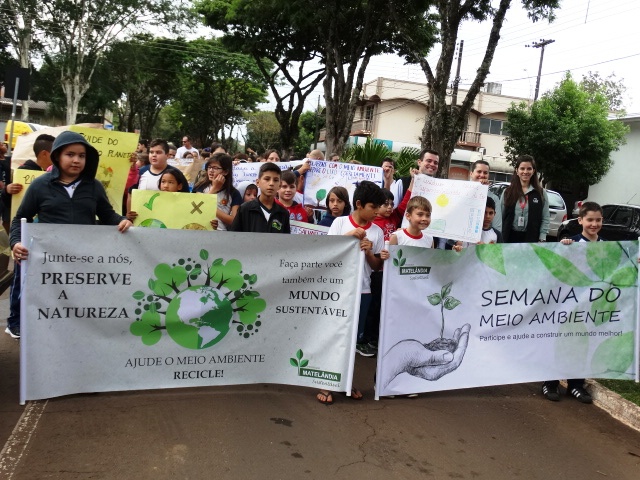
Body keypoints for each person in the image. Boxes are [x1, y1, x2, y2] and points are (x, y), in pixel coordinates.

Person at [9, 131, 132, 336]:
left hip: (82, 262)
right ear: (57, 156)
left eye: (82, 156)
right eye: (70, 154)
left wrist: (122, 221)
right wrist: (15, 243)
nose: (76, 160)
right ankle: (26, 332)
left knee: (78, 308)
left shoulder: (94, 187)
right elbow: (20, 218)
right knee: (47, 309)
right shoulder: (40, 185)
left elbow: (107, 214)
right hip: (48, 263)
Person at [317, 181, 388, 404]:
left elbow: (376, 267)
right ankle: (325, 383)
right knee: (333, 335)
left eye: (379, 207)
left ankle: (345, 382)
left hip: (363, 291)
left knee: (352, 341)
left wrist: (369, 253)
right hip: (337, 290)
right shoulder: (339, 223)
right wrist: (350, 236)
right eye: (373, 206)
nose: (377, 211)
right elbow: (327, 252)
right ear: (358, 204)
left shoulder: (377, 232)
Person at [541, 202, 606, 404]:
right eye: (590, 220)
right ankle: (550, 382)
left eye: (598, 220)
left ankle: (576, 384)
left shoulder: (608, 248)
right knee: (560, 340)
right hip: (567, 305)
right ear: (580, 221)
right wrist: (563, 249)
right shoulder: (571, 243)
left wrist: (632, 258)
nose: (594, 224)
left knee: (582, 343)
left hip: (590, 307)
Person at [3, 134, 55, 339]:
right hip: (26, 237)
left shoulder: (47, 175)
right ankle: (14, 322)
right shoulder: (26, 172)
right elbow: (15, 212)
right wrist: (7, 191)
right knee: (20, 280)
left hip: (41, 237)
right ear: (45, 153)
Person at [229, 162, 290, 233]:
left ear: (279, 185)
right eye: (267, 179)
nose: (271, 183)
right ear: (258, 182)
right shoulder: (245, 209)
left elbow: (285, 241)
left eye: (275, 180)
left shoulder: (283, 213)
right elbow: (235, 236)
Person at [500, 155, 549, 243]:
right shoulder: (507, 192)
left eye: (529, 169)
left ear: (533, 171)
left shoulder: (540, 193)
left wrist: (542, 237)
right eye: (522, 168)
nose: (525, 172)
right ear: (517, 171)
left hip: (531, 238)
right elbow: (500, 217)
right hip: (508, 238)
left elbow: (545, 218)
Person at [192, 153, 242, 231]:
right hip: (200, 230)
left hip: (222, 234)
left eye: (215, 168)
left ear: (225, 172)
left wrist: (211, 209)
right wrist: (214, 188)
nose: (211, 171)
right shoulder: (200, 187)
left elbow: (234, 221)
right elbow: (197, 207)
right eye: (209, 167)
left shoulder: (234, 193)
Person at [127, 139, 170, 214]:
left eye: (158, 152)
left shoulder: (176, 174)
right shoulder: (141, 172)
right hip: (142, 221)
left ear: (167, 155)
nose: (154, 155)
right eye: (151, 152)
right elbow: (131, 194)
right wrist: (129, 214)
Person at [469, 159, 502, 233]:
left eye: (485, 173)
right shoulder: (462, 193)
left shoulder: (494, 198)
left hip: (484, 242)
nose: (482, 175)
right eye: (479, 171)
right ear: (471, 174)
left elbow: (497, 227)